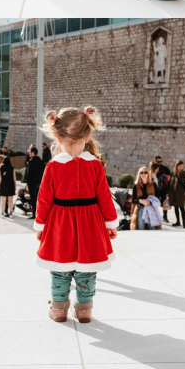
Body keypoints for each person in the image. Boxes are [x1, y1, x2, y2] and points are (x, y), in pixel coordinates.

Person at [36, 106, 117, 324]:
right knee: (86, 270)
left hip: (60, 224)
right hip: (90, 223)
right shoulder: (96, 166)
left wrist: (41, 226)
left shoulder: (52, 166)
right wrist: (110, 224)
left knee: (60, 268)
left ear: (56, 136)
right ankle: (84, 310)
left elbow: (44, 200)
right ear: (88, 135)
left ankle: (59, 309)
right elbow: (105, 198)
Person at [169, 160, 185, 228]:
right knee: (176, 207)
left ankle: (184, 223)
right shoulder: (173, 174)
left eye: (182, 166)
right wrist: (168, 192)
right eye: (180, 166)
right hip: (173, 194)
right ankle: (178, 221)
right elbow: (169, 183)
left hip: (181, 194)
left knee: (182, 208)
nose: (181, 168)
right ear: (176, 166)